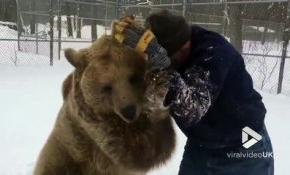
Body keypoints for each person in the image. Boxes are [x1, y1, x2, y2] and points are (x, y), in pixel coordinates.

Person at [114, 10, 274, 175]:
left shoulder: (213, 51)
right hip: (202, 145)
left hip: (245, 142)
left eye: (185, 46)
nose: (184, 52)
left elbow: (192, 108)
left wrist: (163, 65)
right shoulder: (169, 59)